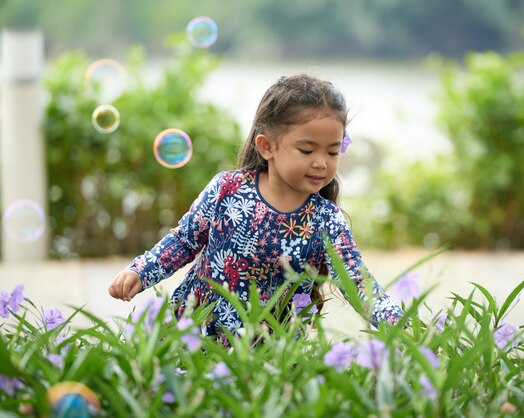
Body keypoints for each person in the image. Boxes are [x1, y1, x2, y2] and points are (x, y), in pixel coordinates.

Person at [108, 74, 404, 346]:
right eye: (306, 150)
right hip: (194, 333)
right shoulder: (227, 189)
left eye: (332, 151)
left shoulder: (326, 221)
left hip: (270, 353)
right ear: (267, 146)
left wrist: (403, 326)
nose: (321, 163)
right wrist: (142, 270)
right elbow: (184, 241)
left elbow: (358, 284)